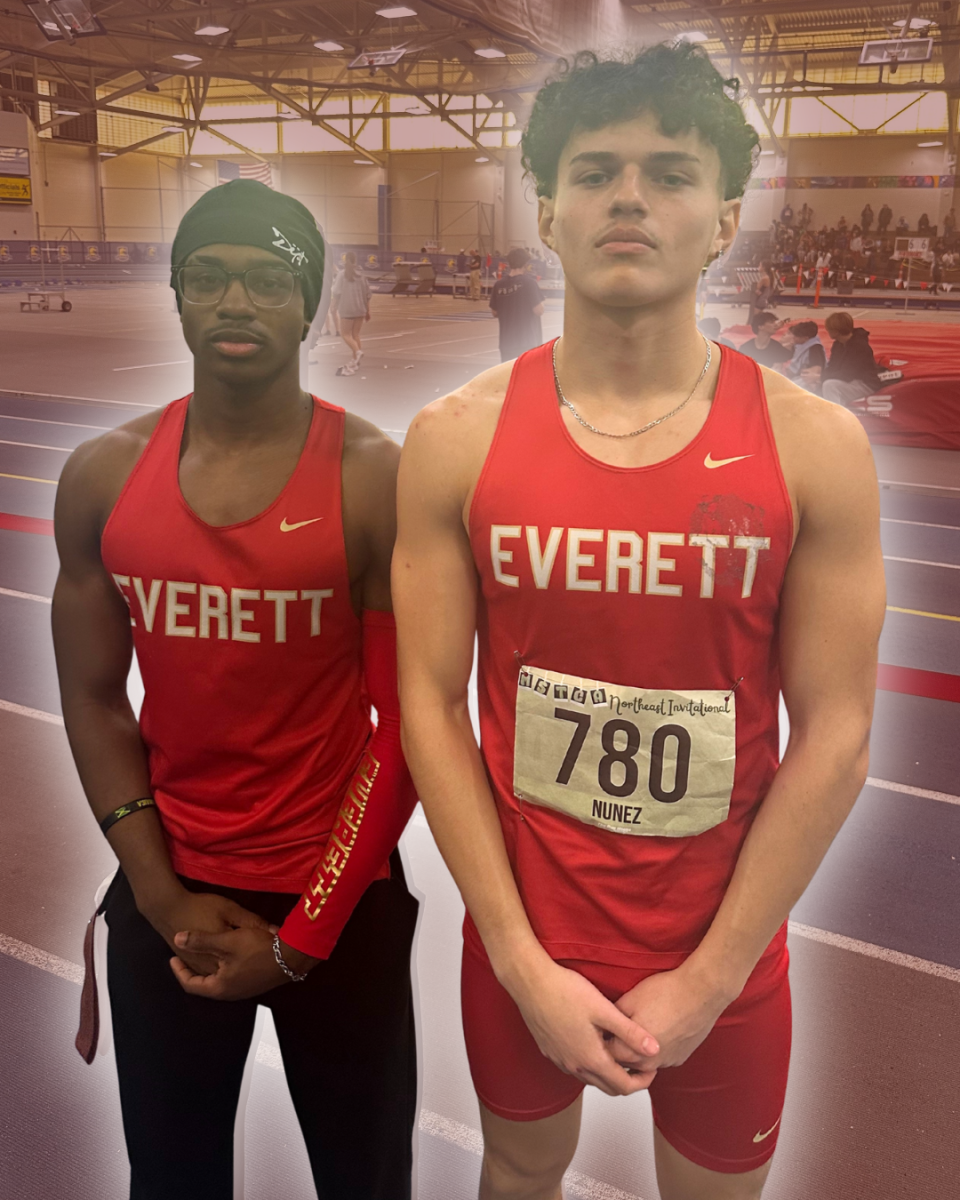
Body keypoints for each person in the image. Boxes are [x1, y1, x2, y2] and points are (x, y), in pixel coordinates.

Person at [393, 41, 882, 1200]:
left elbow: (838, 735)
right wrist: (519, 959)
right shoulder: (454, 440)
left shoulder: (815, 449)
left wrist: (709, 980)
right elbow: (426, 702)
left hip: (726, 955)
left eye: (669, 172)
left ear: (722, 219)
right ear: (550, 212)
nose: (628, 196)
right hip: (525, 945)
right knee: (517, 1172)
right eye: (597, 170)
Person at [52, 179, 420, 1200]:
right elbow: (91, 697)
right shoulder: (101, 476)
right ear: (175, 299)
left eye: (266, 281)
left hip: (337, 903)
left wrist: (302, 943)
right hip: (172, 891)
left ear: (309, 303)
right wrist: (162, 896)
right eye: (207, 280)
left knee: (366, 1182)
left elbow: (405, 727)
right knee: (170, 1182)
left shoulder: (371, 478)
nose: (235, 304)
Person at [489, 247, 546, 362]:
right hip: (527, 341)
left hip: (507, 342)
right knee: (527, 376)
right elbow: (538, 310)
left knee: (509, 376)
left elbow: (495, 312)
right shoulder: (529, 283)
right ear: (525, 263)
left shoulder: (499, 285)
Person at [821, 311, 881, 406]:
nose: (827, 331)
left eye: (829, 329)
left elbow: (848, 374)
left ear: (836, 331)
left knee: (829, 386)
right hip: (849, 380)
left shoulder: (860, 346)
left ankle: (836, 417)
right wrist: (818, 376)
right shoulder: (838, 344)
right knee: (818, 382)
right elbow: (833, 366)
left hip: (865, 384)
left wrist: (821, 377)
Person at [330, 250, 371, 375]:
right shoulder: (362, 275)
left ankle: (357, 352)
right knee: (356, 335)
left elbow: (336, 293)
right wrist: (368, 310)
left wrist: (333, 306)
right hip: (360, 309)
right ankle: (355, 361)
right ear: (356, 260)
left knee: (346, 334)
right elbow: (367, 294)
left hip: (347, 309)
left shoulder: (342, 275)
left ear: (345, 260)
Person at [779, 319, 826, 394]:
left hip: (808, 381)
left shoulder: (815, 349)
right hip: (797, 377)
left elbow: (816, 371)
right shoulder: (799, 345)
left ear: (805, 338)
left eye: (796, 337)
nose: (793, 338)